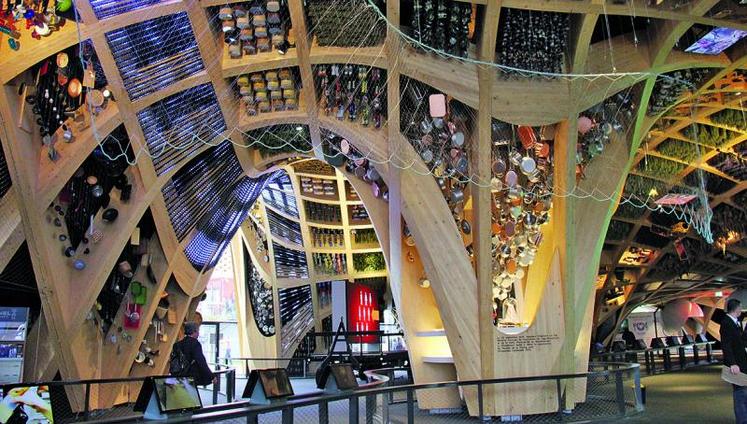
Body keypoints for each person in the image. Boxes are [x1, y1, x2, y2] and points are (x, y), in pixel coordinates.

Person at [721, 298, 747, 423]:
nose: (741, 310)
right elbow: (726, 345)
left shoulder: (735, 322)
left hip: (742, 363)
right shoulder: (726, 323)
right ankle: (742, 420)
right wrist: (732, 363)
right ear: (736, 309)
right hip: (736, 365)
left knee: (743, 391)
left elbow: (740, 342)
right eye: (740, 307)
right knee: (740, 392)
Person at [173, 322, 216, 386]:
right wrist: (211, 376)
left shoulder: (177, 345)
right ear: (194, 332)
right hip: (191, 376)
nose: (198, 333)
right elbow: (201, 361)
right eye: (198, 331)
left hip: (179, 375)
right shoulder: (195, 344)